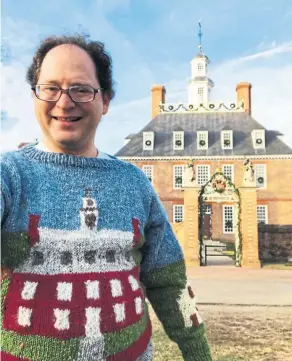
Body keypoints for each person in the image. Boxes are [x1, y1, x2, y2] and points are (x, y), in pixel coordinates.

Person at [1, 34, 212, 361]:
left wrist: (198, 353)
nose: (64, 101)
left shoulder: (134, 182)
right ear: (35, 95)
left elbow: (169, 283)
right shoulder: (10, 176)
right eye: (51, 87)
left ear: (106, 101)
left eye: (81, 89)